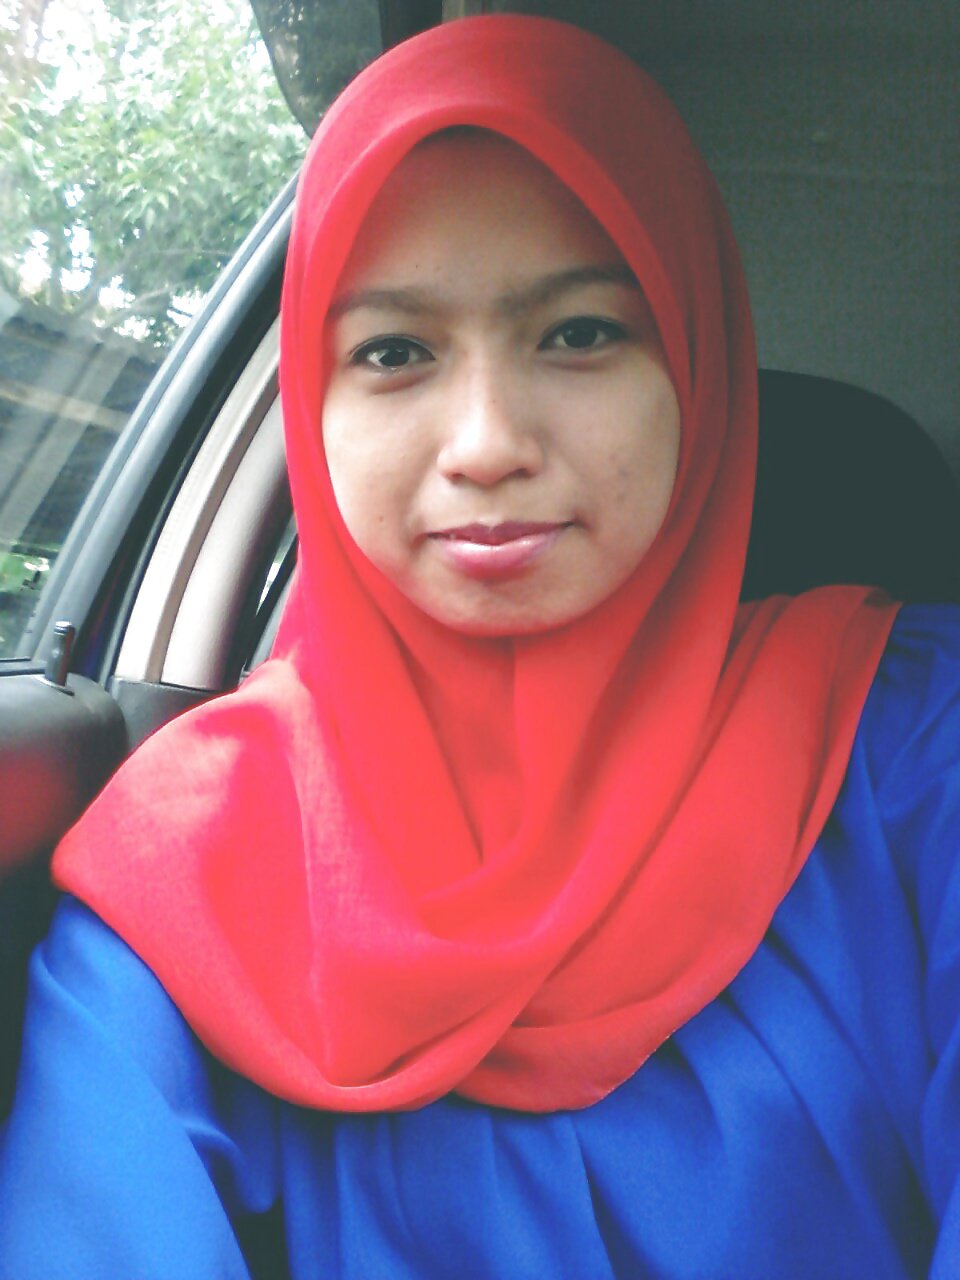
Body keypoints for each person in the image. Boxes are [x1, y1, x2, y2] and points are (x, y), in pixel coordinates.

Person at [1, 14, 958, 1279]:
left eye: (580, 332)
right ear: (313, 403)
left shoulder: (912, 749)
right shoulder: (190, 858)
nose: (489, 441)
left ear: (698, 357)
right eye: (394, 352)